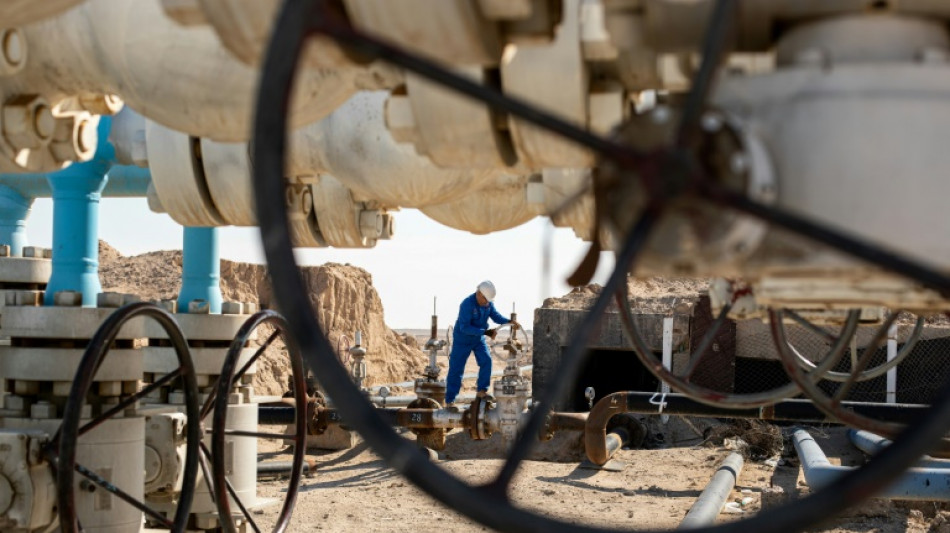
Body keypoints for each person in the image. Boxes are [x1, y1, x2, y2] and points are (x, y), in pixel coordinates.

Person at [444, 280, 520, 406]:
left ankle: (482, 391)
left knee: (486, 360)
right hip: (462, 340)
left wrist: (509, 322)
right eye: (485, 299)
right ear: (479, 293)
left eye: (488, 301)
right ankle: (450, 401)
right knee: (456, 369)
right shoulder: (467, 304)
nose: (486, 303)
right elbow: (464, 327)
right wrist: (485, 332)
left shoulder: (487, 303)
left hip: (478, 339)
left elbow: (495, 316)